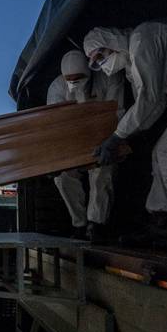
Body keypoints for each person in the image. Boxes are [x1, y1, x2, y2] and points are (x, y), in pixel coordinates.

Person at [83, 22, 167, 248]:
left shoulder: (141, 39)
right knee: (160, 155)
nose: (100, 65)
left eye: (99, 57)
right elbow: (153, 106)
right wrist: (126, 136)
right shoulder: (130, 63)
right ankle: (162, 224)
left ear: (111, 44)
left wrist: (118, 136)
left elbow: (149, 98)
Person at [47, 50, 125, 242]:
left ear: (89, 73)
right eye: (70, 79)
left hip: (104, 139)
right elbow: (55, 125)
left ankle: (96, 225)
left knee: (102, 172)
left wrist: (109, 141)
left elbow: (118, 112)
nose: (74, 82)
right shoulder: (57, 87)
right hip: (71, 144)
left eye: (79, 78)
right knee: (63, 178)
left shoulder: (108, 78)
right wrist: (55, 157)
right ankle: (79, 225)